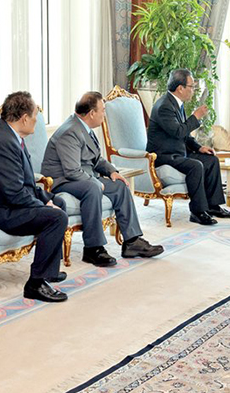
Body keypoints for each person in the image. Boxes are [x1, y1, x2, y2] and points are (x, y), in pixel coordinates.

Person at [0, 91, 69, 303]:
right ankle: (36, 283)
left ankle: (50, 271)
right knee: (56, 217)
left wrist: (46, 200)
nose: (36, 121)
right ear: (24, 118)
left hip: (9, 202)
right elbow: (14, 193)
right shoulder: (2, 142)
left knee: (59, 202)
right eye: (35, 117)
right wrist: (44, 207)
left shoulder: (10, 135)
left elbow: (26, 182)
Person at [41, 91, 164, 266]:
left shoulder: (84, 128)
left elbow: (96, 159)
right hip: (62, 181)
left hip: (80, 177)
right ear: (92, 113)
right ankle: (93, 249)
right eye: (103, 110)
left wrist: (112, 172)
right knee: (92, 188)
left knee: (120, 185)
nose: (104, 114)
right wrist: (95, 182)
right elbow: (72, 171)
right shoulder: (70, 132)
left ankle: (132, 242)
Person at [147, 68, 230, 225]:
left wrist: (199, 147)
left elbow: (185, 135)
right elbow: (178, 132)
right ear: (180, 88)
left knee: (211, 160)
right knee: (196, 166)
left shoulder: (176, 103)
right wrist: (195, 116)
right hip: (164, 155)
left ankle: (213, 206)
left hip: (178, 152)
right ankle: (197, 212)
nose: (194, 90)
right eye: (191, 86)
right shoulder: (164, 107)